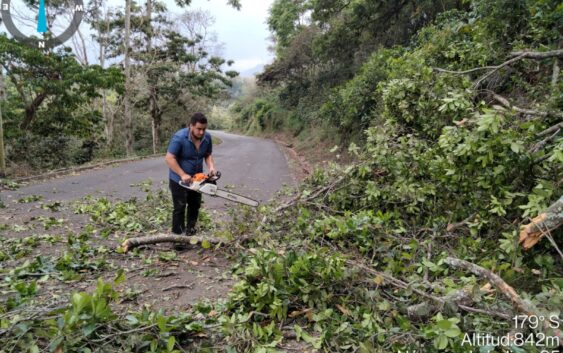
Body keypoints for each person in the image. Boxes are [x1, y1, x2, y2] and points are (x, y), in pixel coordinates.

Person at [165, 112, 215, 237]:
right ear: (191, 126)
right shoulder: (179, 137)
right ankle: (177, 237)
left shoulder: (207, 138)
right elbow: (169, 158)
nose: (201, 132)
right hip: (178, 179)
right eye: (199, 129)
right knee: (180, 207)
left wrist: (211, 167)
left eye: (204, 129)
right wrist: (182, 174)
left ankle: (190, 231)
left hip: (197, 179)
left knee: (195, 205)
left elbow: (208, 154)